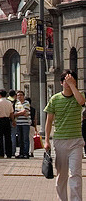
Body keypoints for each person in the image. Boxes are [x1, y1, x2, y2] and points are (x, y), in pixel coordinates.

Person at [44, 69, 85, 201]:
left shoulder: (79, 95)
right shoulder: (55, 99)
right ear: (61, 83)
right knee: (62, 175)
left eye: (71, 80)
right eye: (66, 81)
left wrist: (72, 85)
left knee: (75, 174)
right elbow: (49, 121)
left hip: (76, 141)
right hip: (60, 141)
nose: (68, 83)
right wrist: (46, 141)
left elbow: (81, 103)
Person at [0, 89, 15, 158]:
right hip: (7, 120)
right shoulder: (9, 103)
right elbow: (11, 113)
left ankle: (0, 153)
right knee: (8, 137)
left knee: (0, 138)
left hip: (0, 120)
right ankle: (9, 153)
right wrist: (13, 121)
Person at [13, 90, 31, 159]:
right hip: (18, 123)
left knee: (25, 138)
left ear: (23, 96)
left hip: (25, 123)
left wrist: (18, 113)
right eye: (18, 95)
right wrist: (20, 113)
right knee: (20, 139)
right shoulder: (17, 104)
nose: (19, 97)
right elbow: (15, 113)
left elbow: (25, 112)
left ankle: (26, 153)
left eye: (21, 95)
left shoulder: (26, 103)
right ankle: (21, 153)